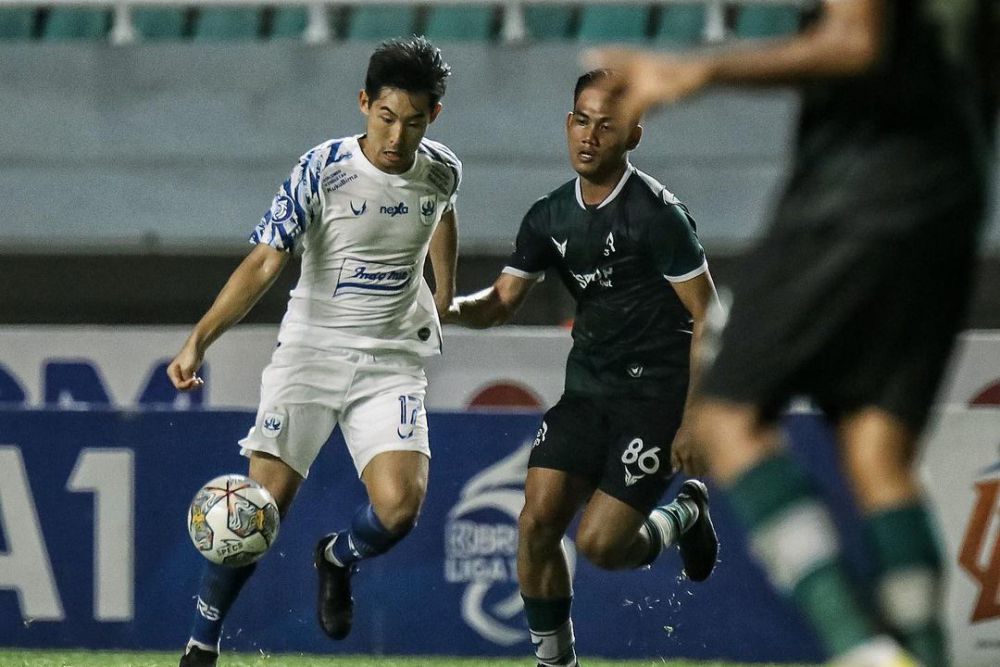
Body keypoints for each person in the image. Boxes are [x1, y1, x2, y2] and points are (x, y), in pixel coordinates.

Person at [590, 1, 997, 665]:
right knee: (876, 449)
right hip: (952, 197)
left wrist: (700, 70)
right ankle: (925, 652)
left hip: (858, 188)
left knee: (727, 418)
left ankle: (856, 644)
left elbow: (854, 41)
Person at [167, 36, 461, 667]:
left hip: (390, 362)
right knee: (255, 511)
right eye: (385, 118)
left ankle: (336, 558)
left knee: (401, 508)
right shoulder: (321, 169)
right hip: (309, 354)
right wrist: (199, 338)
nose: (395, 137)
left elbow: (440, 212)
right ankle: (201, 644)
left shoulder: (441, 168)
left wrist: (446, 289)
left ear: (432, 116)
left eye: (412, 123)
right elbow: (264, 262)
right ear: (363, 104)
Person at [443, 69, 721, 667]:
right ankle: (554, 664)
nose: (590, 136)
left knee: (600, 547)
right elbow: (499, 303)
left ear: (633, 137)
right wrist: (444, 308)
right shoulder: (547, 216)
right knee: (536, 523)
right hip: (587, 392)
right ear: (567, 124)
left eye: (607, 125)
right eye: (581, 120)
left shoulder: (656, 215)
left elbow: (708, 315)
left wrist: (694, 419)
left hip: (655, 400)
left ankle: (684, 513)